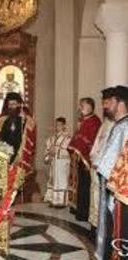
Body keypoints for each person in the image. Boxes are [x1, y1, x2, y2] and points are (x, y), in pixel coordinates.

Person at [96, 85, 128, 260]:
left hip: (119, 190)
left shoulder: (126, 126)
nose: (104, 106)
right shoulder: (118, 125)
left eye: (108, 102)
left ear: (120, 103)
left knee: (118, 226)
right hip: (109, 183)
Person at [0, 92, 39, 202]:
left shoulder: (25, 116)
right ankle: (6, 193)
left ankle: (17, 193)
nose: (12, 106)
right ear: (7, 105)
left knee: (18, 172)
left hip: (20, 150)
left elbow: (32, 130)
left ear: (19, 104)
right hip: (6, 150)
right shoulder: (3, 118)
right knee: (6, 172)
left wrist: (26, 119)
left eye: (15, 104)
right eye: (10, 104)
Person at [68, 97, 101, 221]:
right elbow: (77, 138)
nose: (80, 108)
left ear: (91, 106)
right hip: (80, 159)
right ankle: (79, 209)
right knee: (81, 185)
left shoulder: (94, 121)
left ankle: (84, 212)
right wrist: (74, 147)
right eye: (80, 105)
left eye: (83, 105)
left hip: (88, 159)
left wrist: (78, 148)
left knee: (86, 186)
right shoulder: (84, 120)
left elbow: (91, 141)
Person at [88, 88, 115, 236]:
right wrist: (93, 157)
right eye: (103, 103)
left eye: (107, 103)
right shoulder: (105, 123)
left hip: (105, 169)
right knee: (95, 196)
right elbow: (98, 142)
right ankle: (95, 225)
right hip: (97, 165)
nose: (104, 107)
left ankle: (102, 228)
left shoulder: (118, 124)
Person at [44, 117, 71, 207]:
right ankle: (53, 199)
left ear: (64, 126)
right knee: (53, 180)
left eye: (59, 125)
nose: (57, 127)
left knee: (61, 181)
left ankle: (61, 202)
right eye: (56, 125)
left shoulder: (67, 137)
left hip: (62, 162)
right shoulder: (51, 138)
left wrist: (55, 150)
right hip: (54, 161)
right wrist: (48, 154)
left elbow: (67, 150)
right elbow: (48, 148)